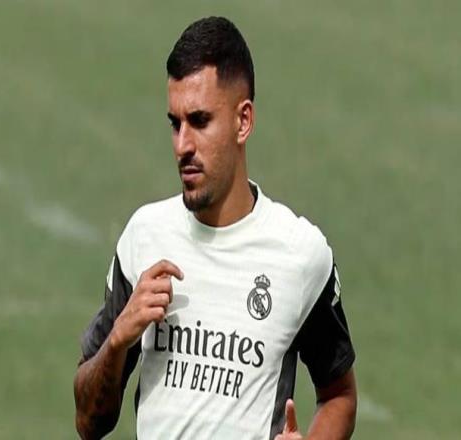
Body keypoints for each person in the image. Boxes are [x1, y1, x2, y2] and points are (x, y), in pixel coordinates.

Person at [73, 16, 357, 440]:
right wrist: (116, 342)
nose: (182, 145)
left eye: (200, 121)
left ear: (243, 121)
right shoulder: (144, 236)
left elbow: (339, 395)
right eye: (175, 123)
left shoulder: (299, 254)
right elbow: (88, 422)